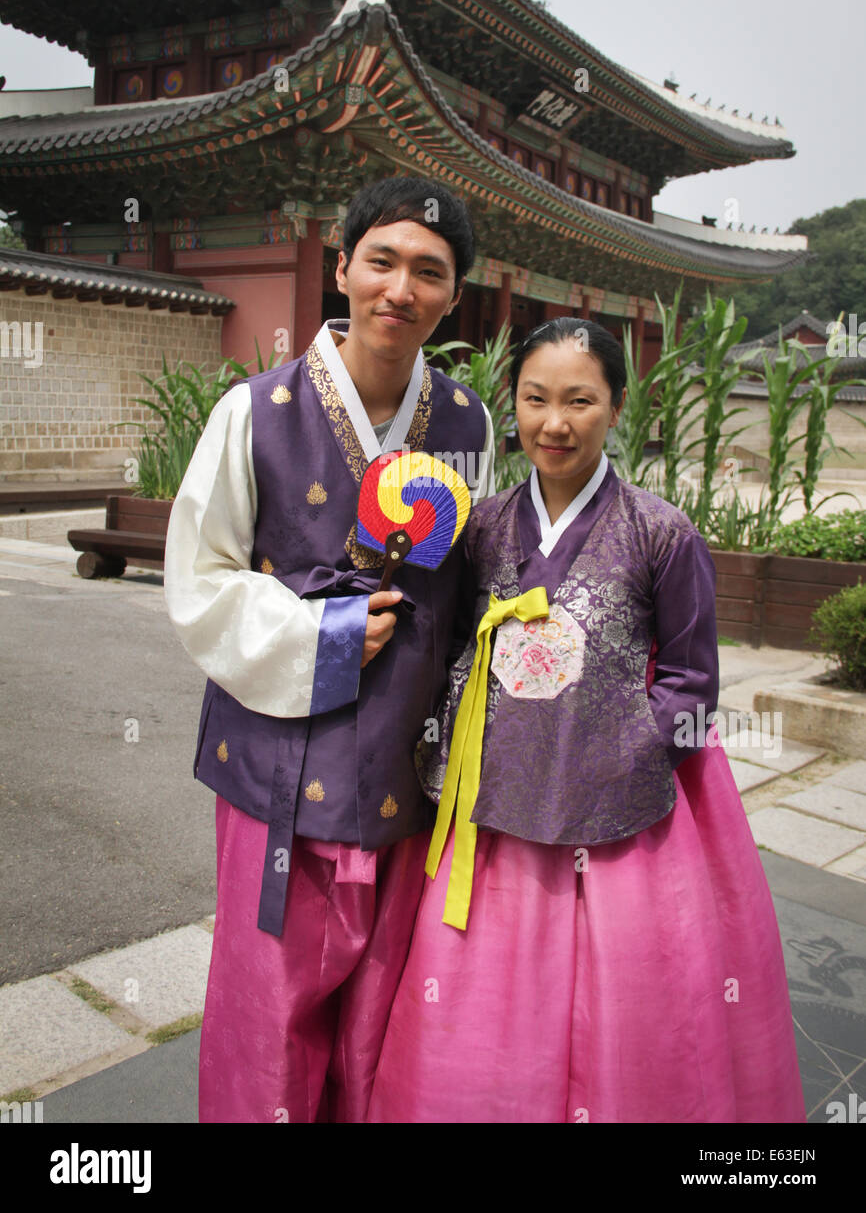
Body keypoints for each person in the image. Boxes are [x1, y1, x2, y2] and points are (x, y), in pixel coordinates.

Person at [367, 316, 806, 1124]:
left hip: (616, 808)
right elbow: (449, 639)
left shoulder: (661, 532)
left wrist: (628, 753)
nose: (554, 423)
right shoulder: (485, 525)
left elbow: (690, 681)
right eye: (534, 399)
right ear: (515, 404)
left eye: (580, 401)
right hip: (493, 799)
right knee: (482, 995)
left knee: (627, 1003)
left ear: (618, 406)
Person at [163, 175, 496, 1123]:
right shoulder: (256, 411)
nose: (401, 288)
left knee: (380, 1014)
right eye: (381, 261)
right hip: (279, 765)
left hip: (406, 766)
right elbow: (202, 579)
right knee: (268, 1013)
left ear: (453, 294)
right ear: (342, 266)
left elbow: (470, 577)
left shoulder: (468, 423)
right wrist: (321, 633)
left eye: (429, 272)